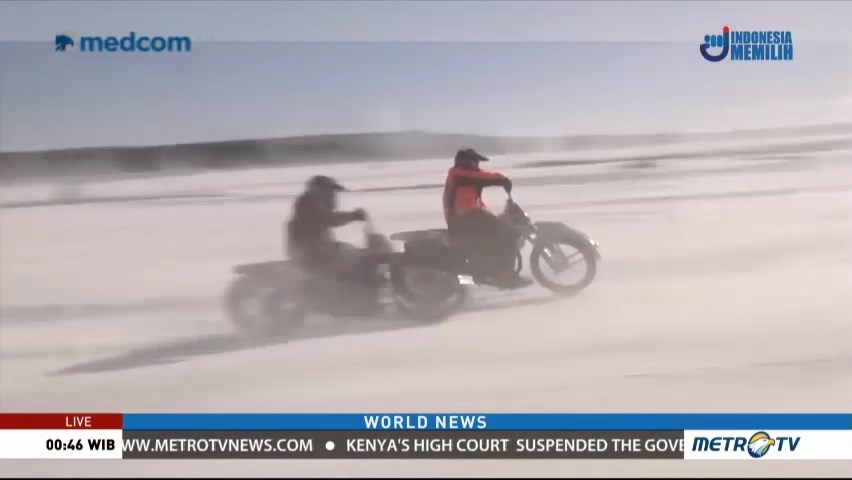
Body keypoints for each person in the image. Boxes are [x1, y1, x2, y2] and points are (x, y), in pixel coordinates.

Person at [442, 148, 532, 289]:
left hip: (465, 217)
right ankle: (505, 275)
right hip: (465, 217)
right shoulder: (459, 174)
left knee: (495, 231)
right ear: (467, 162)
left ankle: (492, 268)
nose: (477, 165)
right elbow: (483, 177)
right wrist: (502, 180)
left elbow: (475, 193)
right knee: (508, 232)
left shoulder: (461, 177)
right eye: (475, 162)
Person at [285, 175, 368, 287]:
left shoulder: (307, 206)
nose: (333, 197)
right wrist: (354, 215)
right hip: (312, 256)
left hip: (315, 254)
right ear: (318, 191)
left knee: (351, 252)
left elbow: (328, 218)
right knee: (352, 256)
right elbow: (330, 218)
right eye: (330, 192)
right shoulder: (308, 205)